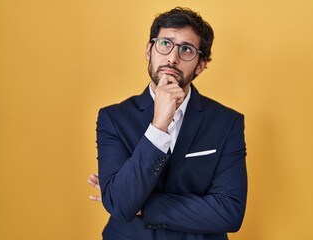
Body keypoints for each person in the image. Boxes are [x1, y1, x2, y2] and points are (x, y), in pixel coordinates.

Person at [92, 7, 248, 240]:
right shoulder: (113, 118)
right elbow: (121, 204)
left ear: (200, 65)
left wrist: (145, 207)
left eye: (186, 49)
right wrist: (158, 125)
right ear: (149, 50)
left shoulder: (227, 122)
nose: (172, 57)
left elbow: (229, 213)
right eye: (165, 43)